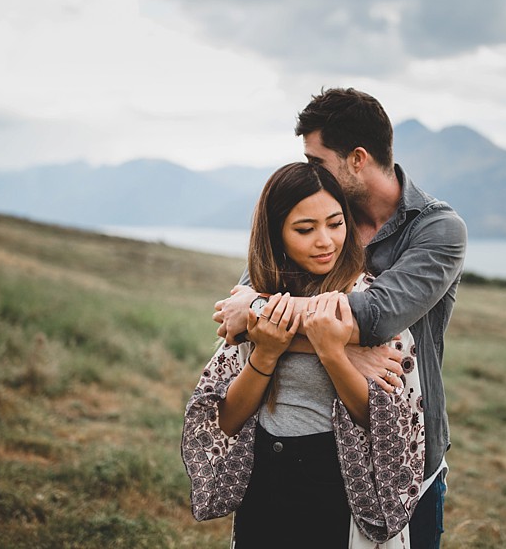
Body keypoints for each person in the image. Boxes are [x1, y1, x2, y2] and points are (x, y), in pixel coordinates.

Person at [214, 88, 467, 548]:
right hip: (307, 461)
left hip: (408, 456)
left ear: (356, 159)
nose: (310, 171)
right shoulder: (325, 211)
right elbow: (248, 291)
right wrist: (332, 347)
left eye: (317, 159)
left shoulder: (436, 229)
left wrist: (258, 312)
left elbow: (371, 316)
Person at [182, 162, 426, 548]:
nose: (326, 241)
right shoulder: (263, 303)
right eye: (305, 229)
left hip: (338, 489)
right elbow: (226, 421)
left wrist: (332, 354)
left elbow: (384, 423)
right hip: (263, 484)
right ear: (276, 233)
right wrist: (265, 354)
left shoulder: (367, 305)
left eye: (335, 223)